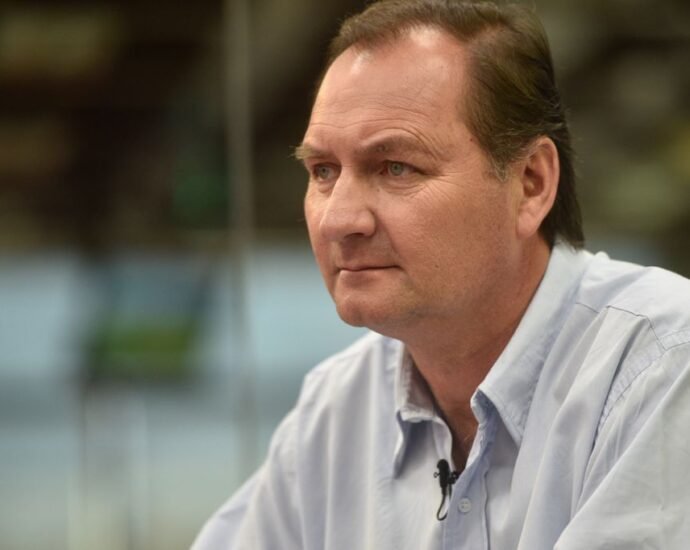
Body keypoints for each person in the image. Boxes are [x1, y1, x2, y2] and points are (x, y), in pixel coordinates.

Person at [193, 1, 690, 548]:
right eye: (323, 171)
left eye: (396, 167)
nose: (338, 219)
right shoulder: (338, 409)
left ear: (530, 183)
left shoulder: (662, 362)